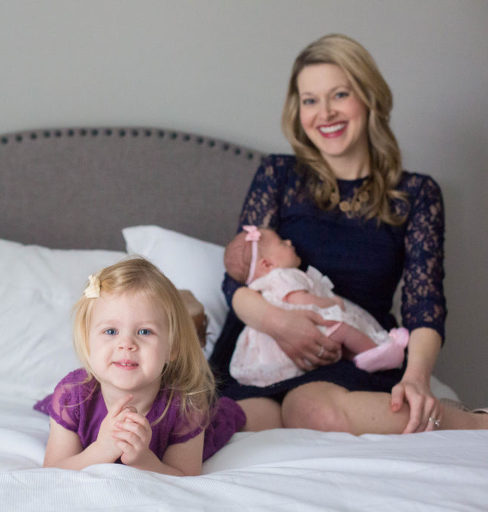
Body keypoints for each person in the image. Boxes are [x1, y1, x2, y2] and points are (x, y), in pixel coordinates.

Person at [209, 33, 488, 434]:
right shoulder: (279, 175)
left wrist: (417, 376)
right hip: (263, 348)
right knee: (232, 424)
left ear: (368, 97)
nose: (324, 113)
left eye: (339, 95)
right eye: (310, 100)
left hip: (351, 352)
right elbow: (235, 282)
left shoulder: (415, 195)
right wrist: (281, 324)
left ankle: (474, 423)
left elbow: (424, 304)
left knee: (311, 411)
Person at [35, 257, 245, 476]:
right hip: (82, 405)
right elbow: (52, 470)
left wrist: (143, 460)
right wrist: (101, 450)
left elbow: (185, 475)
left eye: (144, 332)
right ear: (88, 342)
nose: (126, 344)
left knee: (228, 415)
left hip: (194, 420)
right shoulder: (71, 397)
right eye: (111, 331)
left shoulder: (186, 407)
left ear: (171, 348)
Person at [225, 225, 409, 387]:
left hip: (293, 333)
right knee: (342, 329)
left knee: (337, 344)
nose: (289, 242)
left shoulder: (266, 283)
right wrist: (330, 302)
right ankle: (375, 351)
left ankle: (362, 355)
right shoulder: (282, 276)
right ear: (267, 263)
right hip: (303, 325)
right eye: (282, 243)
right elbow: (300, 301)